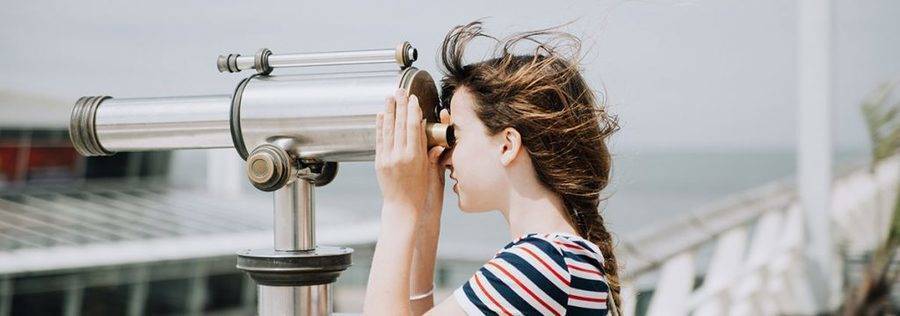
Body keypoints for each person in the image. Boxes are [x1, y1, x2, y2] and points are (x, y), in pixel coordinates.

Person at [363, 21, 620, 315]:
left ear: (507, 145)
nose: (446, 158)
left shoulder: (541, 265)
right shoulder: (563, 260)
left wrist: (399, 204)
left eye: (455, 136)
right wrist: (426, 215)